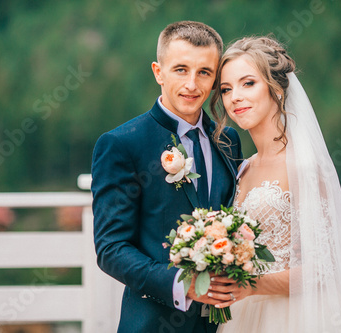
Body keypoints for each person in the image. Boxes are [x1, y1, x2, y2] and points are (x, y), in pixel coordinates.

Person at [206, 36, 341, 332]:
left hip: (298, 316)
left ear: (276, 89)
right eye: (226, 89)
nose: (234, 97)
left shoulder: (305, 166)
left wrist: (252, 284)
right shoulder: (242, 167)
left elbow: (324, 269)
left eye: (248, 83)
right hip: (242, 316)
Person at [91, 21, 243, 333]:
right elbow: (111, 248)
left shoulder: (228, 140)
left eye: (204, 72)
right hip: (153, 323)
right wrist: (179, 283)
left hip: (226, 323)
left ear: (215, 79)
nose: (192, 84)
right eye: (180, 69)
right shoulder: (122, 144)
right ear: (159, 72)